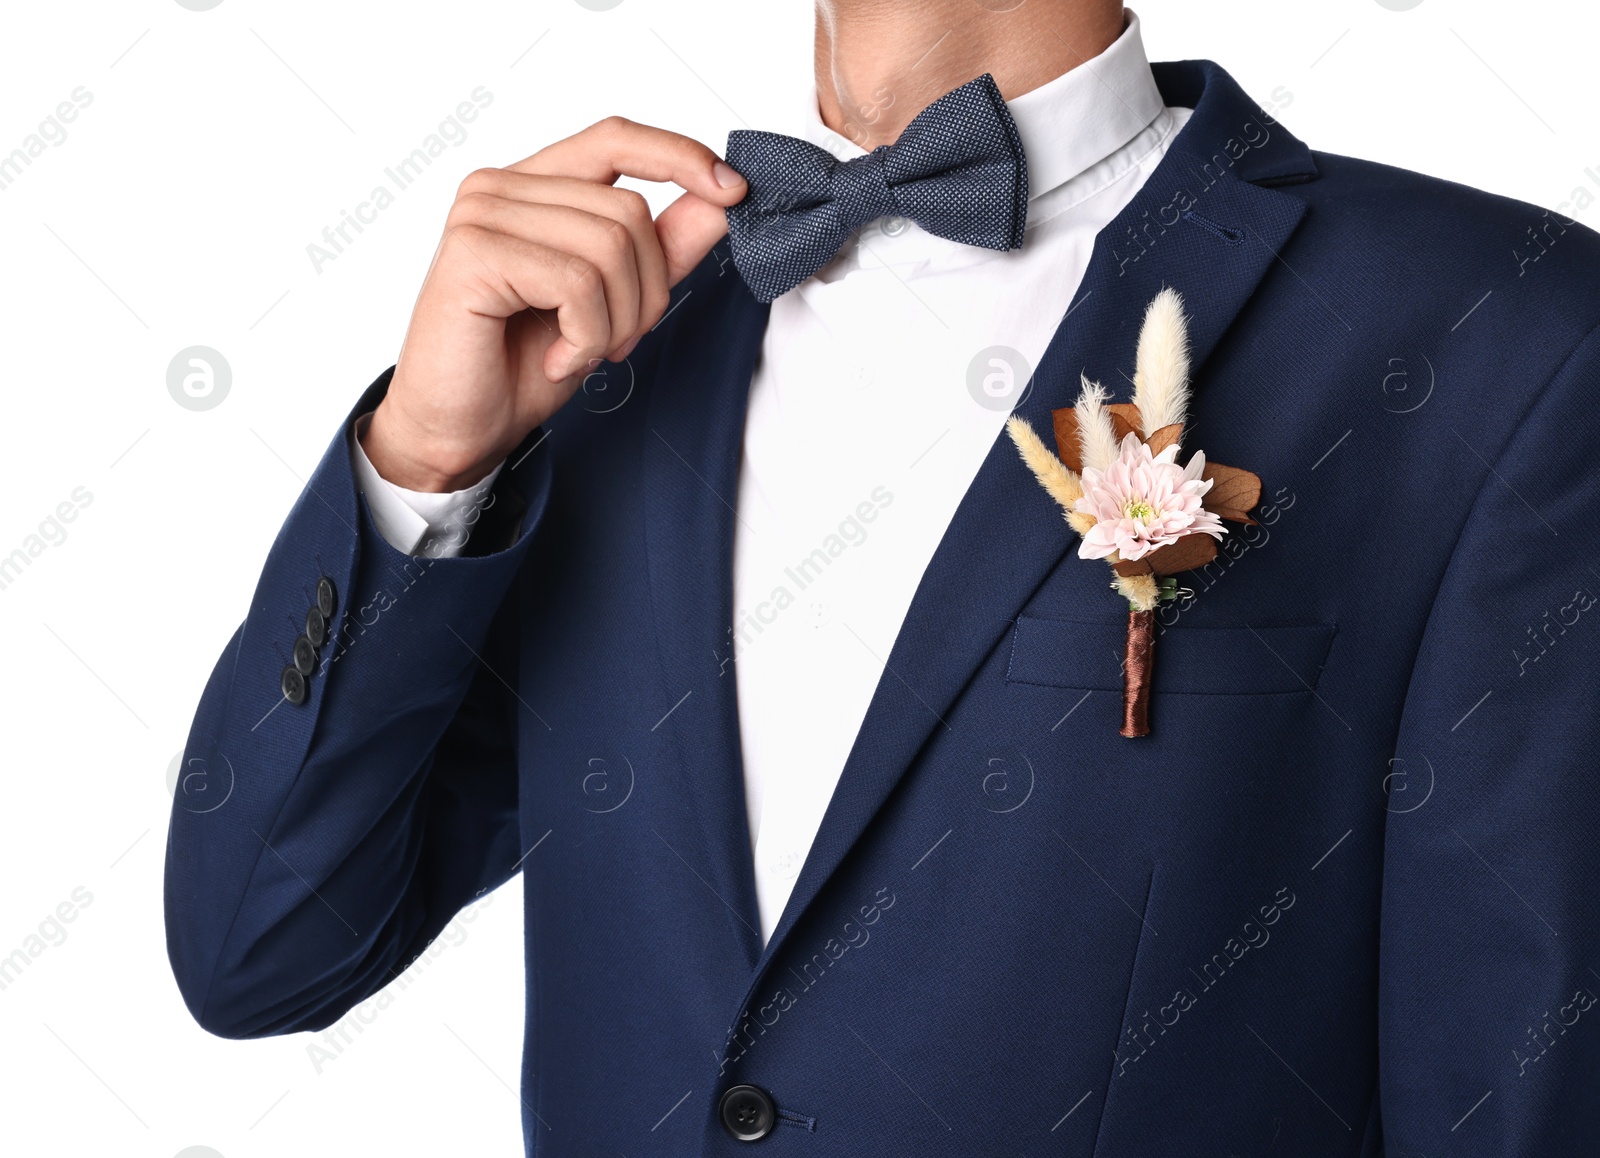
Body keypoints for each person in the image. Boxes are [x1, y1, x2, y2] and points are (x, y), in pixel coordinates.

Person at [163, 2, 1600, 1154]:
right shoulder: (607, 348)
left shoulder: (1501, 336)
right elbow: (261, 953)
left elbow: (1516, 1085)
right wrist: (424, 460)